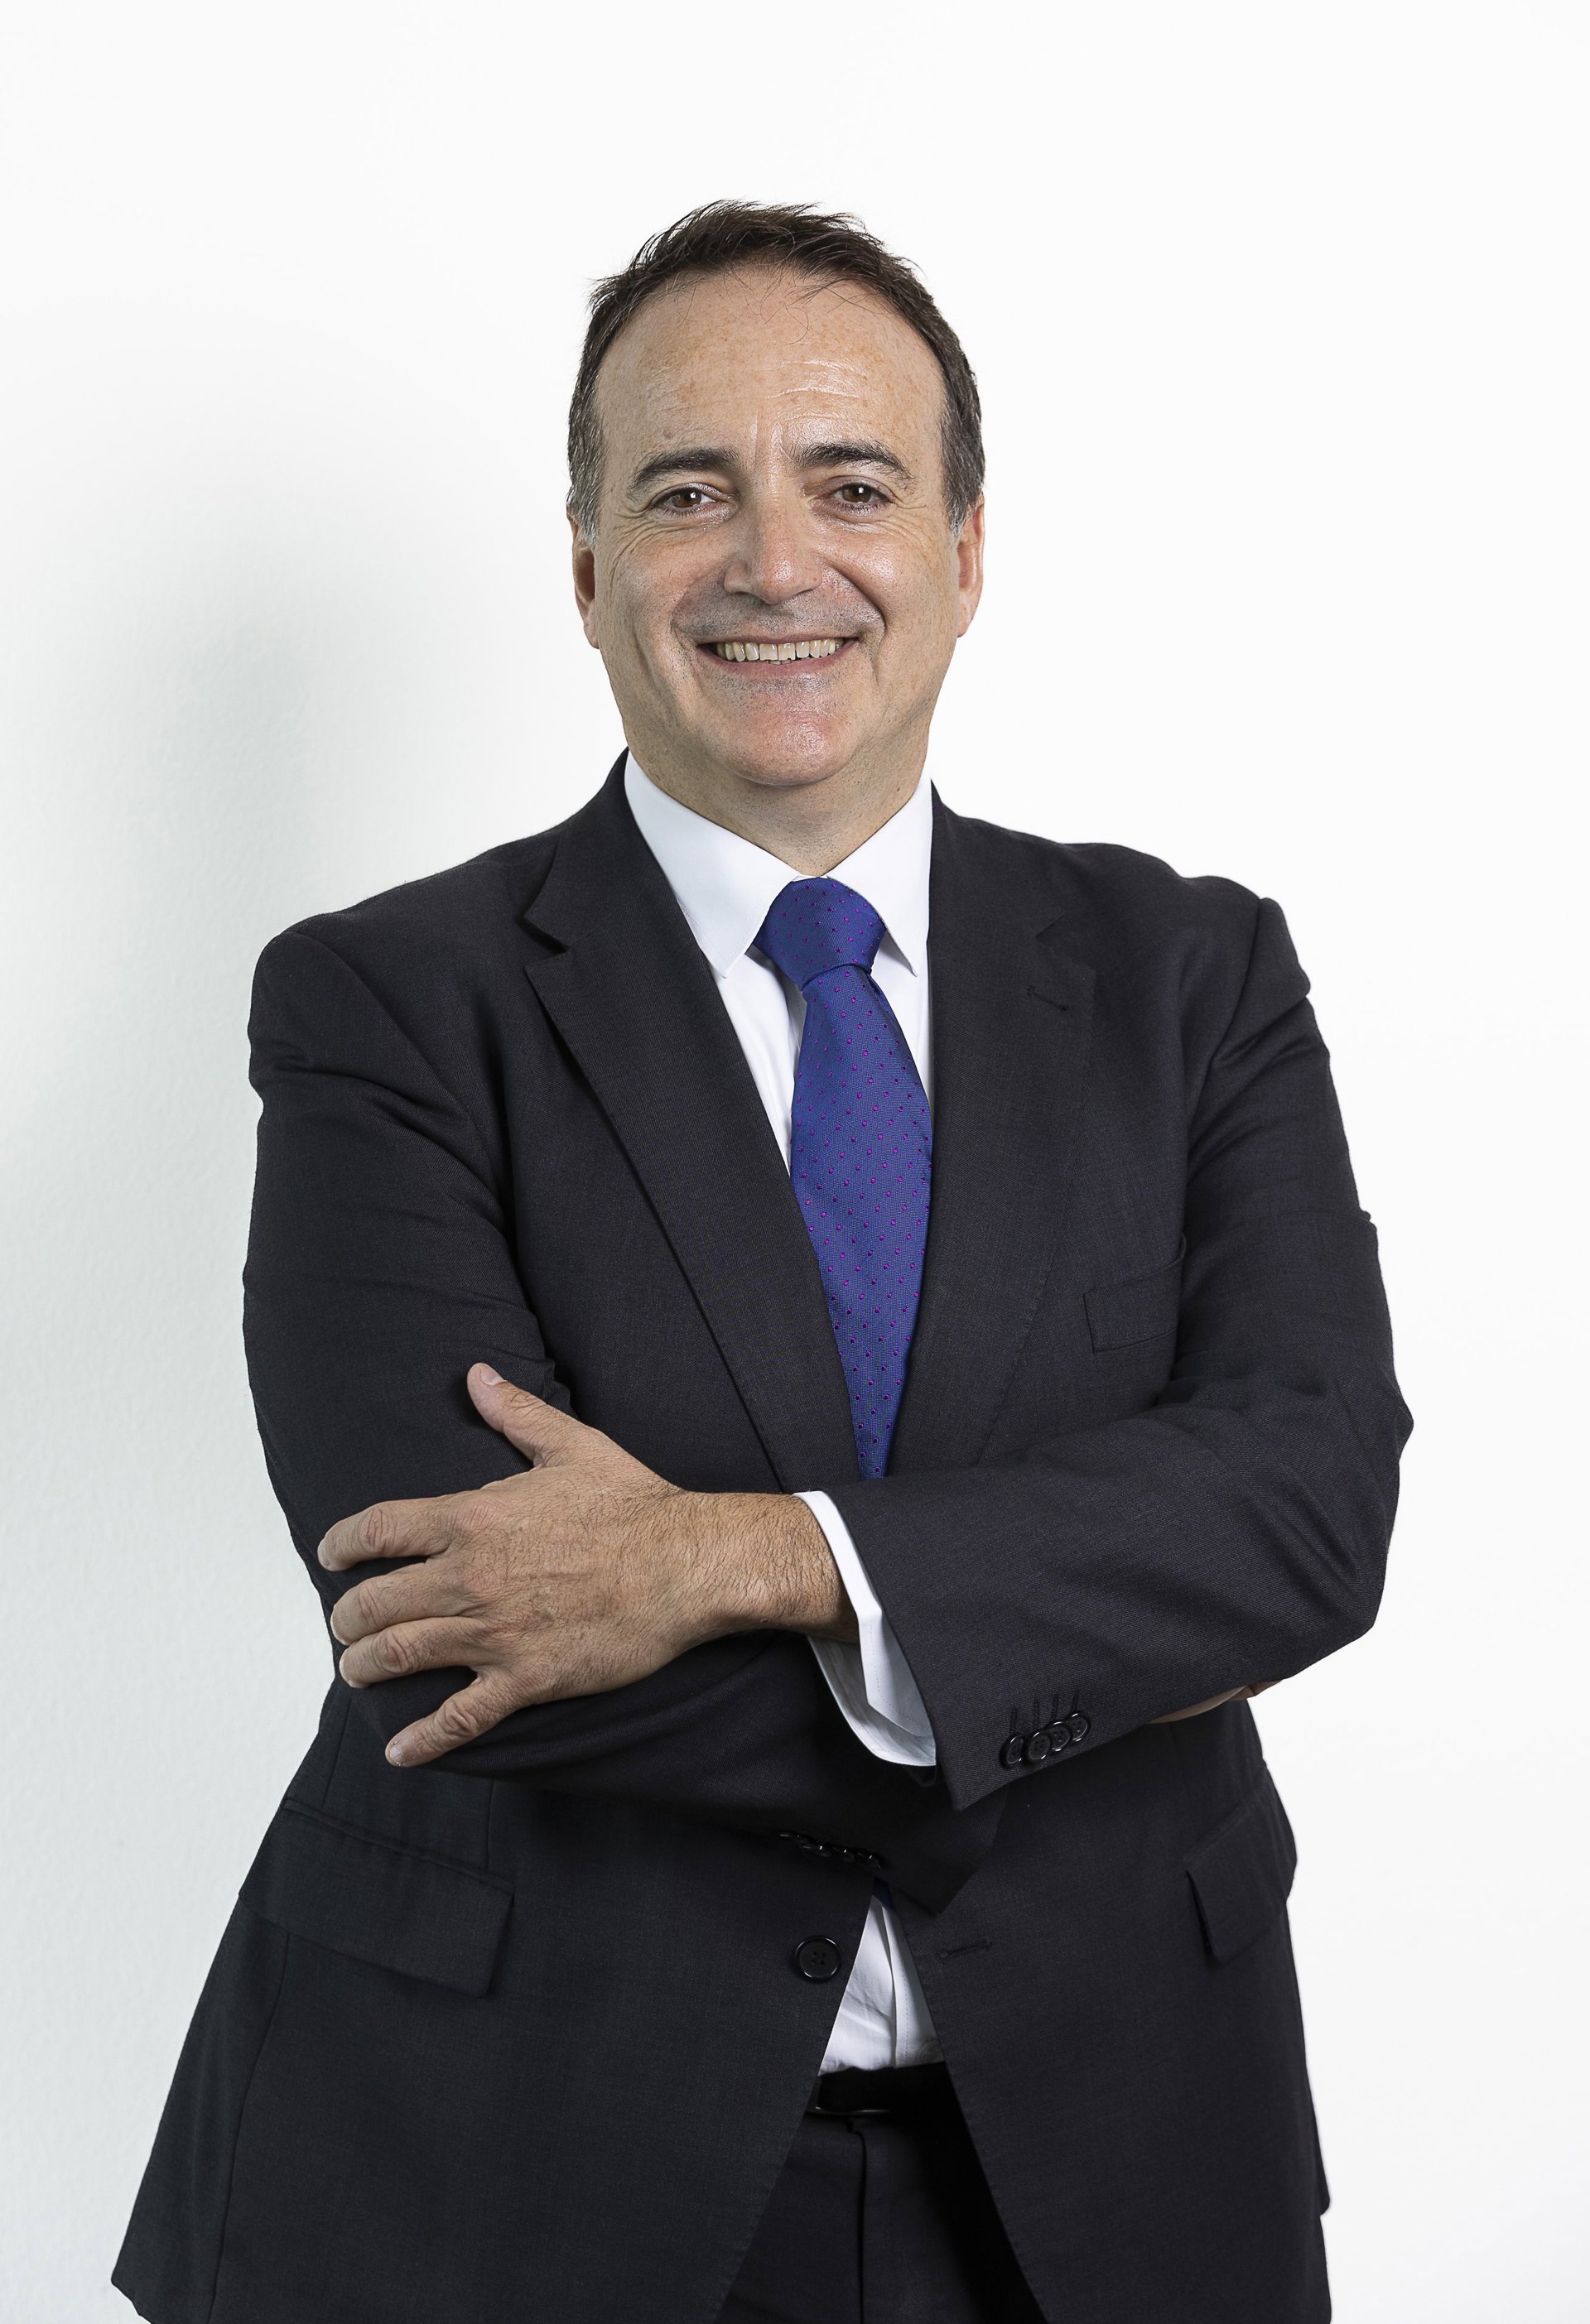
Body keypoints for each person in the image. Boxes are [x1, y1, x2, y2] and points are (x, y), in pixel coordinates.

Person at [114, 201, 1409, 2324]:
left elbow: (1306, 1513)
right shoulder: (389, 1005)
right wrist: (1072, 1657)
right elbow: (450, 1635)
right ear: (588, 569)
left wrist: (744, 1558)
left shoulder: (1194, 978)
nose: (774, 562)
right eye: (688, 491)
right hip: (504, 2168)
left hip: (1114, 2163)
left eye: (854, 486)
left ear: (967, 554)